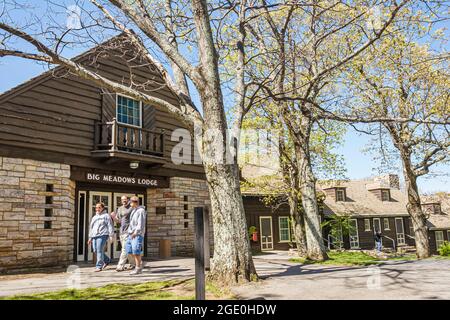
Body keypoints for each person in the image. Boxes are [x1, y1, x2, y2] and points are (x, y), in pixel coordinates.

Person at [111, 196, 135, 272]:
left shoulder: (131, 208)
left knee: (124, 249)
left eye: (125, 199)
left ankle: (120, 266)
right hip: (122, 231)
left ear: (128, 200)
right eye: (122, 200)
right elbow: (118, 221)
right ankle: (133, 264)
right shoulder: (120, 208)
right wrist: (113, 217)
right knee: (128, 248)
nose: (123, 201)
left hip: (129, 231)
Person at [88, 202, 114, 272]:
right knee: (95, 250)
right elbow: (91, 228)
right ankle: (107, 260)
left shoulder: (106, 216)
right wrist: (90, 238)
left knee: (99, 249)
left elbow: (110, 225)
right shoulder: (94, 217)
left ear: (102, 208)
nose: (97, 209)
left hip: (103, 234)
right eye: (96, 207)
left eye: (99, 207)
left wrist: (111, 236)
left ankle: (99, 266)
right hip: (94, 235)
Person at [126, 196, 147, 275]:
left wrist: (136, 232)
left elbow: (140, 223)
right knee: (128, 249)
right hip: (131, 234)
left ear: (135, 202)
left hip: (137, 234)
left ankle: (138, 269)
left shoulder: (141, 210)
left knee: (136, 251)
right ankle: (140, 262)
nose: (129, 203)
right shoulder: (134, 210)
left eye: (130, 202)